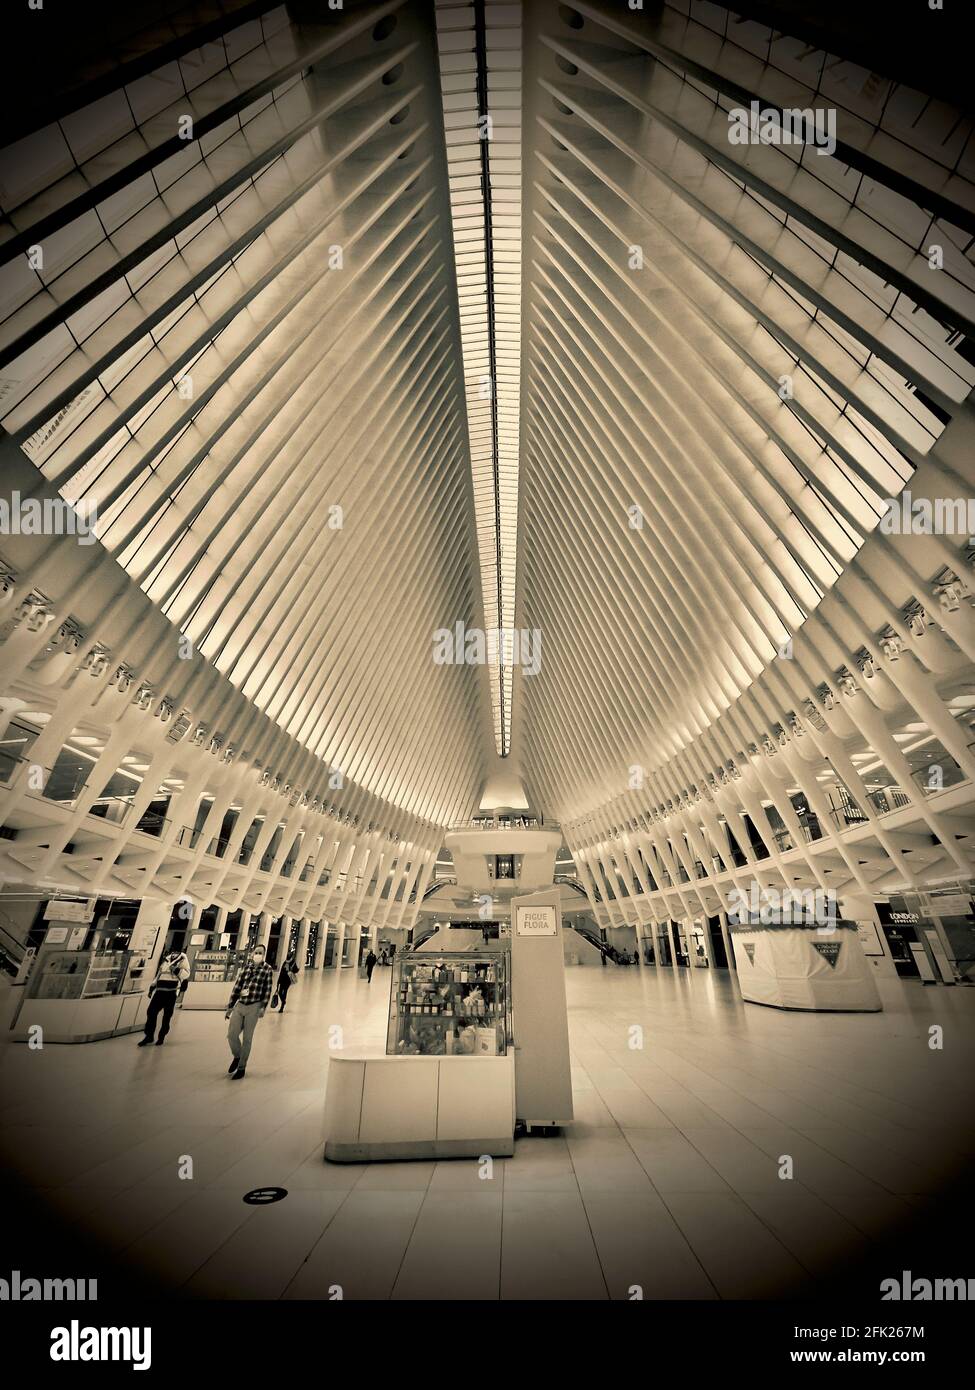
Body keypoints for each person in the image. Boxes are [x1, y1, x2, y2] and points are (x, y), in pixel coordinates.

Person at [225, 943, 273, 1080]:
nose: (257, 955)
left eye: (260, 953)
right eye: (256, 952)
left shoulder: (267, 969)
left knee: (247, 1038)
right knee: (231, 1035)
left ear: (263, 955)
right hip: (240, 1004)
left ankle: (241, 1067)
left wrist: (263, 1007)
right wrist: (230, 1006)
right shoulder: (246, 968)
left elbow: (267, 990)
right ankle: (237, 1056)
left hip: (254, 1005)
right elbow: (237, 986)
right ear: (252, 953)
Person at [138, 948, 189, 1046]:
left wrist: (177, 970)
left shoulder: (183, 959)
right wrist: (152, 987)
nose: (174, 954)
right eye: (173, 952)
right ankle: (149, 1036)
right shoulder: (166, 960)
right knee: (151, 1012)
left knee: (167, 1016)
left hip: (171, 993)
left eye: (176, 952)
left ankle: (161, 1036)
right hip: (159, 991)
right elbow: (159, 974)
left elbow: (186, 974)